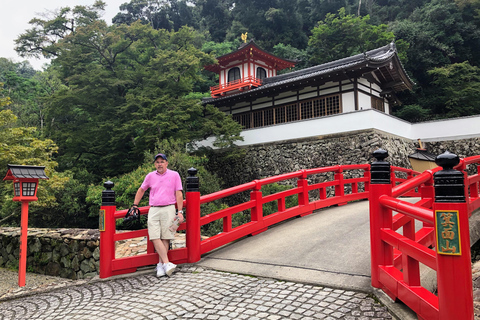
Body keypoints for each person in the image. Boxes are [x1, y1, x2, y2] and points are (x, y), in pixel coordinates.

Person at [132, 153, 184, 277]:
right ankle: (166, 263)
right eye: (157, 162)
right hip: (154, 209)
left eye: (162, 161)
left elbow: (179, 194)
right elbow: (141, 189)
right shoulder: (150, 176)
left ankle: (160, 265)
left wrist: (180, 212)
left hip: (169, 208)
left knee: (166, 237)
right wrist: (135, 205)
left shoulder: (174, 175)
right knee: (154, 236)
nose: (159, 164)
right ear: (155, 164)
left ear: (167, 163)